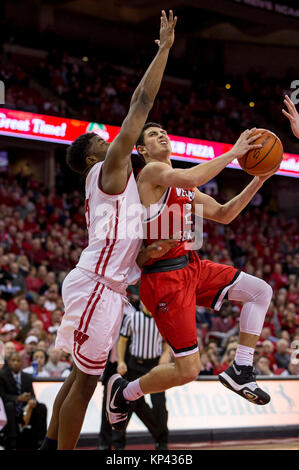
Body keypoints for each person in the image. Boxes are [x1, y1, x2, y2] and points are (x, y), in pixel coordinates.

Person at [40, 10, 178, 450]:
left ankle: (46, 447)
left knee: (79, 375)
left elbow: (128, 241)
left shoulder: (118, 184)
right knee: (86, 384)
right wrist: (164, 49)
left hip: (103, 285)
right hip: (99, 286)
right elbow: (140, 104)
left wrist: (146, 253)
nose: (106, 138)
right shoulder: (108, 167)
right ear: (89, 158)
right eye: (100, 140)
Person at [106, 121, 278, 431]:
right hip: (163, 279)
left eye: (164, 133)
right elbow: (193, 175)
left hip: (191, 266)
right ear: (142, 150)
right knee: (188, 371)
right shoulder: (150, 173)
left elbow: (224, 214)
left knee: (260, 291)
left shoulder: (184, 185)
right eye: (153, 136)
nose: (162, 137)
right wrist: (234, 152)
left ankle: (241, 367)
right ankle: (125, 391)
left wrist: (260, 179)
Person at [113, 302, 170, 450]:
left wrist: (165, 354)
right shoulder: (132, 318)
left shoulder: (162, 319)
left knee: (159, 405)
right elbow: (122, 341)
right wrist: (121, 361)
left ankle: (162, 442)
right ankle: (119, 443)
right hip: (134, 366)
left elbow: (167, 342)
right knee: (129, 404)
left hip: (155, 366)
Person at [0, 352, 47, 449]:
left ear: (22, 363)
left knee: (41, 407)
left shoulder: (27, 377)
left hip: (26, 407)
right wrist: (17, 398)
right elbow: (3, 396)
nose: (16, 363)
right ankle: (12, 440)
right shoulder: (2, 376)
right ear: (8, 362)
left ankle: (41, 440)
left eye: (18, 361)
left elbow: (32, 395)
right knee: (9, 406)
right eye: (13, 360)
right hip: (10, 407)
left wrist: (32, 401)